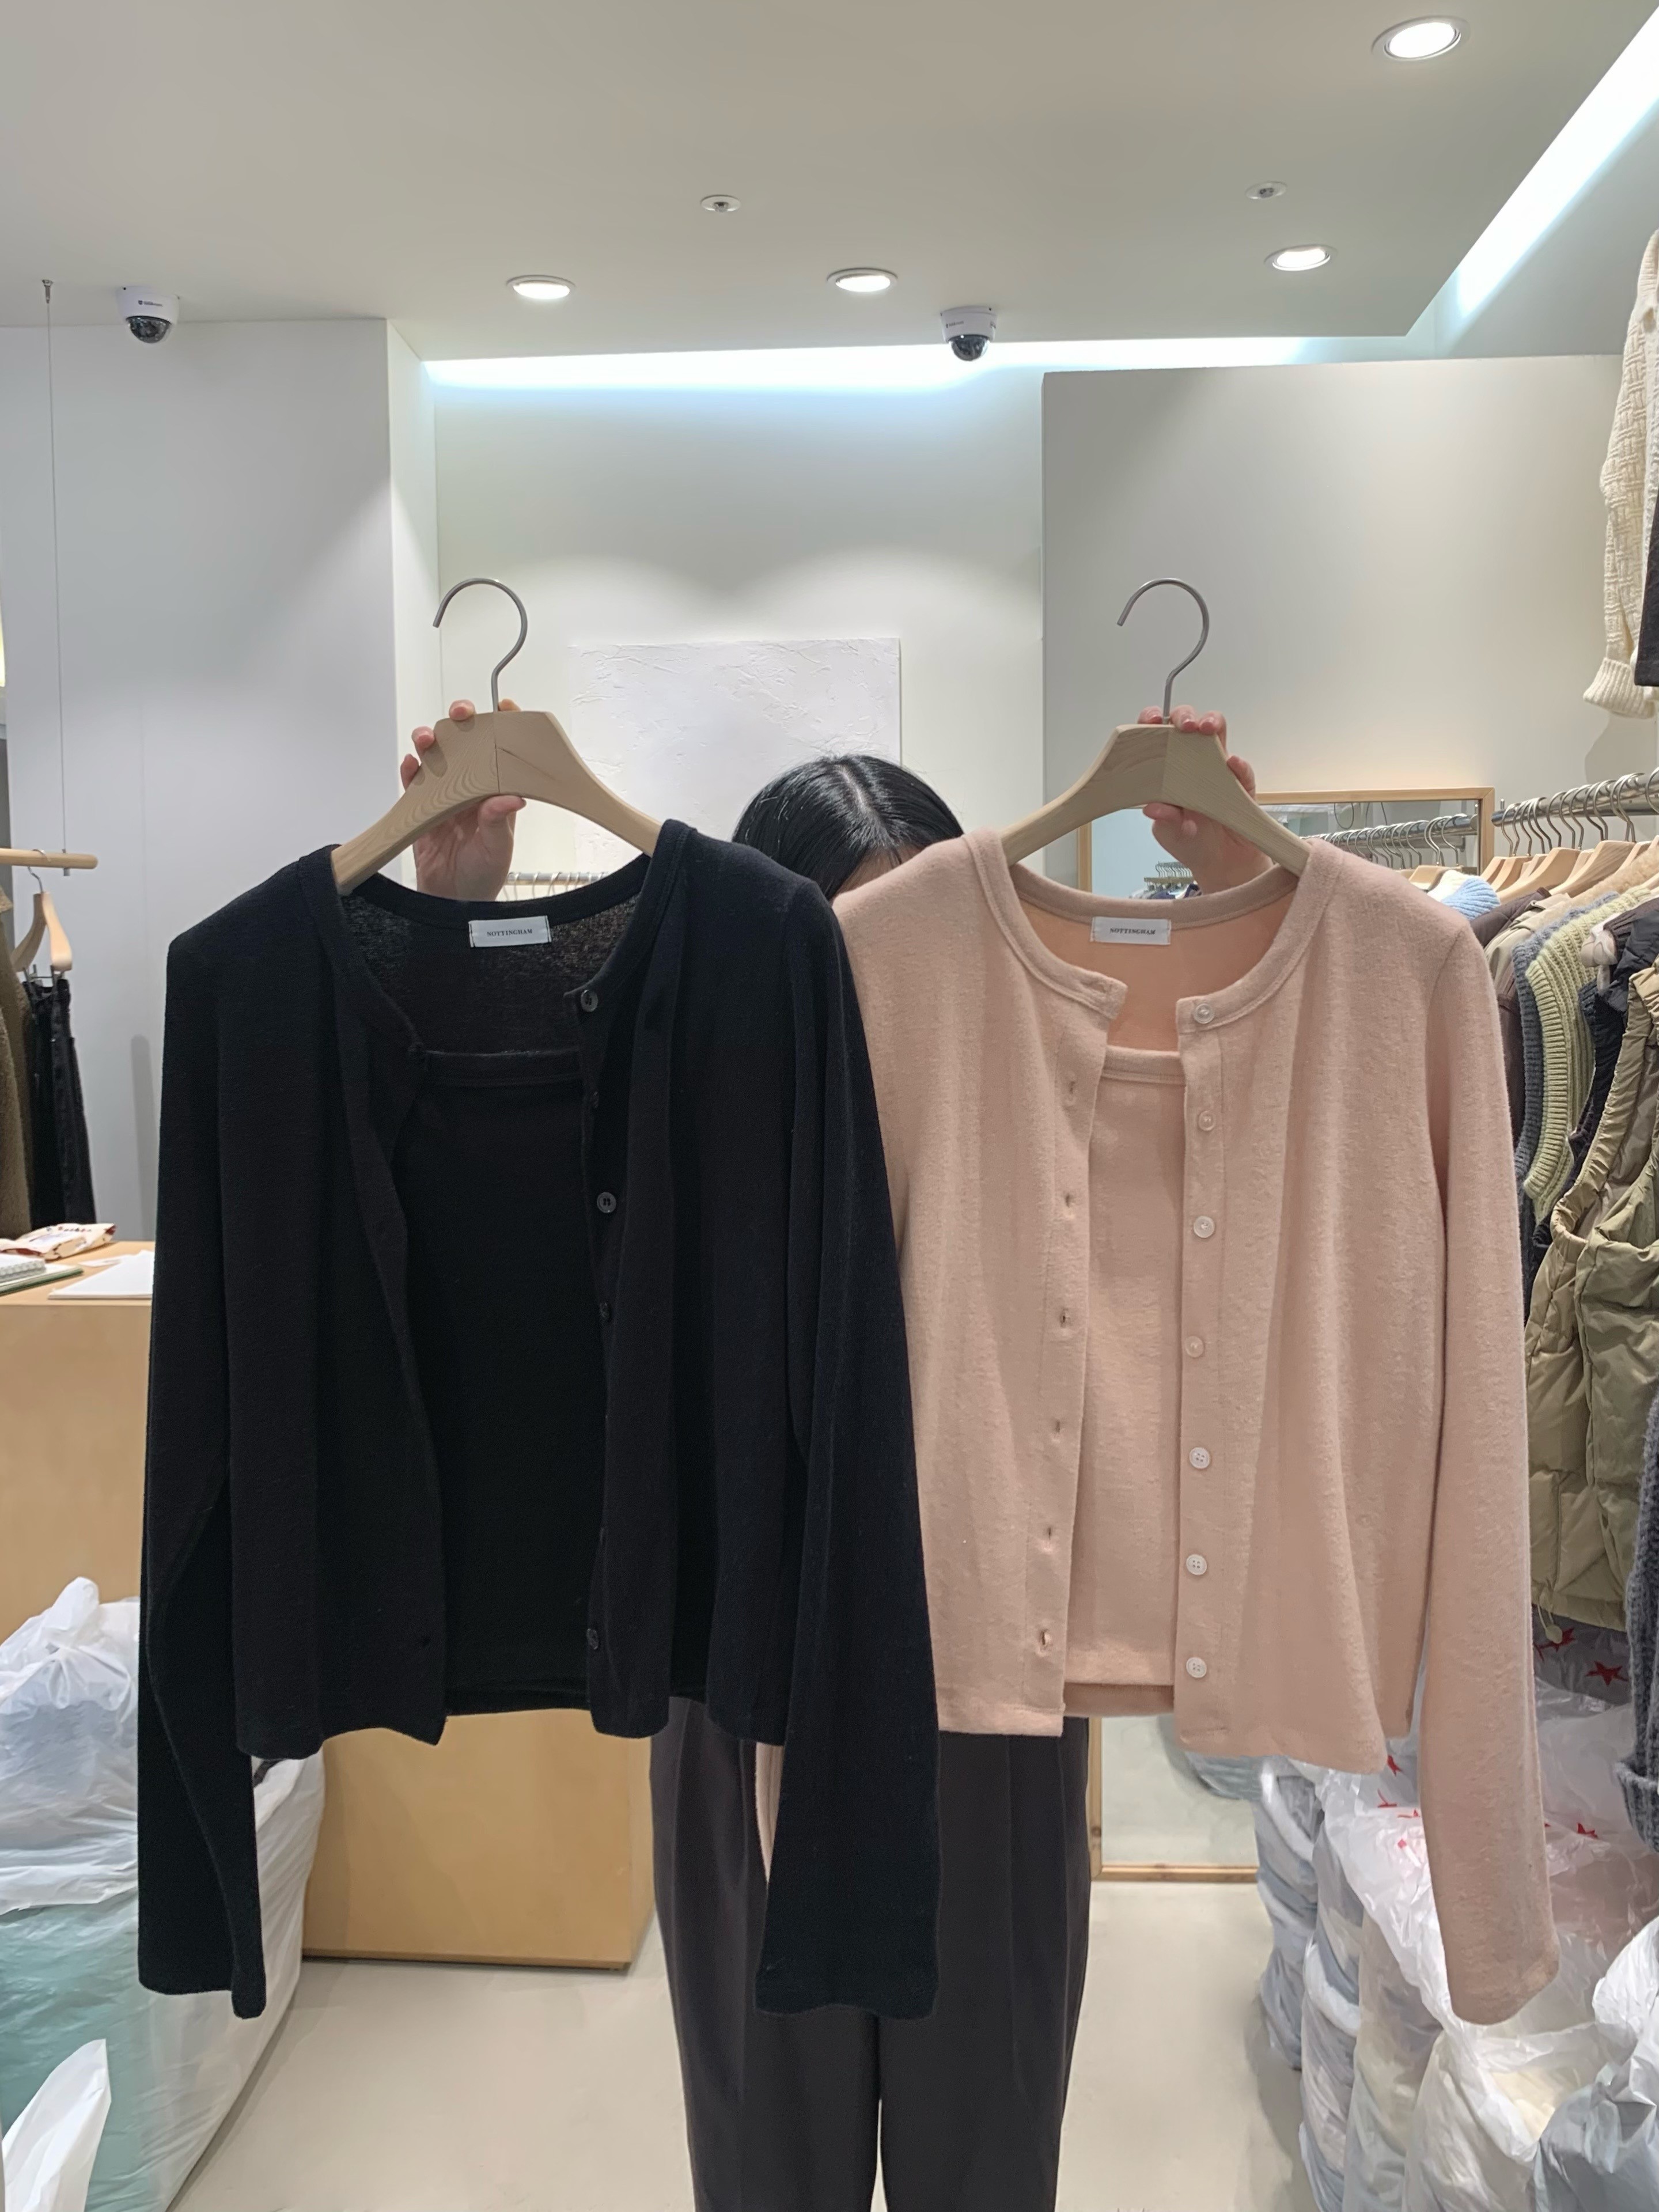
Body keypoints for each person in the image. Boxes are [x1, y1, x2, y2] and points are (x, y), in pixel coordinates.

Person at [397, 700, 1262, 2211]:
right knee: (766, 2163)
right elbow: (496, 1196)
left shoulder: (1048, 1101)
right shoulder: (678, 1091)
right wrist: (456, 914)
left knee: (984, 2153)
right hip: (744, 1668)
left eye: (925, 950)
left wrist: (1245, 904)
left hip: (990, 1672)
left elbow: (1219, 1182)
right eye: (846, 957)